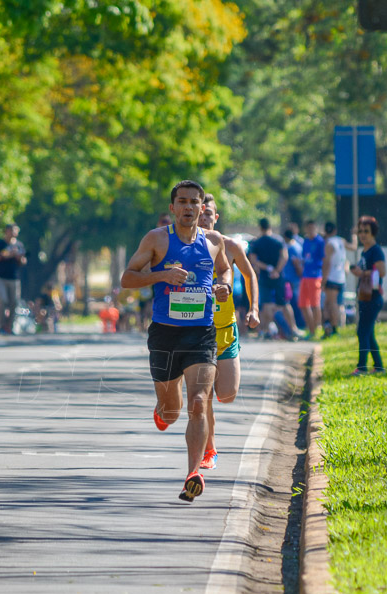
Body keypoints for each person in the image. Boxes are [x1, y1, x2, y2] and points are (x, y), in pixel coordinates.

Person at [120, 180, 232, 502]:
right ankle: (163, 410)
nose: (187, 207)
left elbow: (224, 271)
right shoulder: (156, 240)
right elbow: (127, 278)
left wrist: (223, 286)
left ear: (202, 207)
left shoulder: (213, 241)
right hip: (165, 333)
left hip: (201, 332)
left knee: (199, 403)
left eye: (193, 202)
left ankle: (192, 474)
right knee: (173, 411)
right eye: (181, 202)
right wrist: (161, 275)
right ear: (172, 208)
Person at [197, 193, 260, 470]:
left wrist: (254, 308)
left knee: (228, 394)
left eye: (208, 213)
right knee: (205, 393)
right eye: (199, 212)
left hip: (226, 330)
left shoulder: (231, 246)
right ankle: (209, 449)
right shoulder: (184, 246)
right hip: (197, 330)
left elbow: (250, 275)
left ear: (215, 216)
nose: (203, 217)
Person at [249, 218, 300, 340]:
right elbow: (284, 256)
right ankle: (293, 330)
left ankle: (265, 331)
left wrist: (267, 268)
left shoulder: (257, 242)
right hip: (279, 277)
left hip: (265, 277)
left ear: (260, 227)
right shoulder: (278, 240)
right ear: (270, 227)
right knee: (284, 303)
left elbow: (253, 260)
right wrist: (277, 270)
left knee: (266, 304)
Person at [349, 216, 386, 375]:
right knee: (368, 333)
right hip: (364, 296)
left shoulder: (376, 250)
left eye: (366, 232)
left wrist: (361, 272)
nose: (363, 235)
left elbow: (382, 271)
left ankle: (362, 367)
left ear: (373, 233)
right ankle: (378, 366)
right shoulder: (365, 251)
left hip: (373, 297)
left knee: (362, 332)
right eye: (361, 231)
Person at [0, 223, 26, 334]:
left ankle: (10, 326)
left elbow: (23, 261)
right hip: (1, 277)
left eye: (16, 231)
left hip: (14, 278)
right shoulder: (0, 243)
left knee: (14, 302)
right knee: (1, 299)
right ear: (7, 231)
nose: (14, 233)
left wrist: (19, 257)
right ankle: (1, 324)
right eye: (12, 231)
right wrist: (8, 255)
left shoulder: (19, 245)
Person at [321, 221, 350, 337]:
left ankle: (333, 328)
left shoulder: (329, 244)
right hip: (341, 277)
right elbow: (353, 246)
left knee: (330, 304)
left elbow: (327, 263)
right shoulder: (341, 241)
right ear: (335, 230)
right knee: (334, 304)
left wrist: (324, 280)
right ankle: (332, 327)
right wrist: (354, 236)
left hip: (332, 277)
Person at [299, 219, 325, 339]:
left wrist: (324, 277)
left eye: (312, 228)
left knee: (315, 304)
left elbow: (324, 260)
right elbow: (305, 257)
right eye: (308, 228)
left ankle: (317, 329)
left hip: (315, 276)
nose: (310, 230)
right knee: (303, 304)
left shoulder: (320, 242)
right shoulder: (305, 241)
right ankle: (311, 329)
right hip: (305, 275)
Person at [281, 224, 305, 332]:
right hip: (295, 279)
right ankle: (300, 325)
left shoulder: (290, 248)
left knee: (293, 304)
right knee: (296, 303)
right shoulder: (298, 246)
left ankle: (300, 324)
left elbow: (297, 264)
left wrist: (301, 275)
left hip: (291, 280)